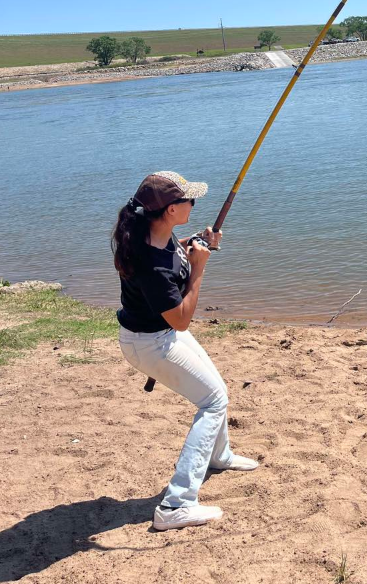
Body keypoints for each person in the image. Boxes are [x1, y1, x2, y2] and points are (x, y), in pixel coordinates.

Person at [112, 170, 258, 531]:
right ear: (171, 210)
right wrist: (198, 270)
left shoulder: (153, 233)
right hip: (153, 343)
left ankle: (218, 456)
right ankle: (175, 505)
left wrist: (200, 242)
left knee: (217, 392)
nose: (194, 203)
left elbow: (175, 250)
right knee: (212, 402)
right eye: (188, 199)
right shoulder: (151, 263)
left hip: (154, 334)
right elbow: (180, 320)